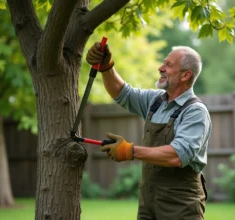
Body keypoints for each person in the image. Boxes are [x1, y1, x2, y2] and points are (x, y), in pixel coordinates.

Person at [86, 42, 212, 220]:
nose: (161, 68)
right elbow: (122, 93)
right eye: (163, 63)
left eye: (168, 65)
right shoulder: (156, 101)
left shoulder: (195, 111)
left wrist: (131, 151)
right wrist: (106, 66)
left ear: (186, 75)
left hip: (180, 205)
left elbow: (178, 155)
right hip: (148, 201)